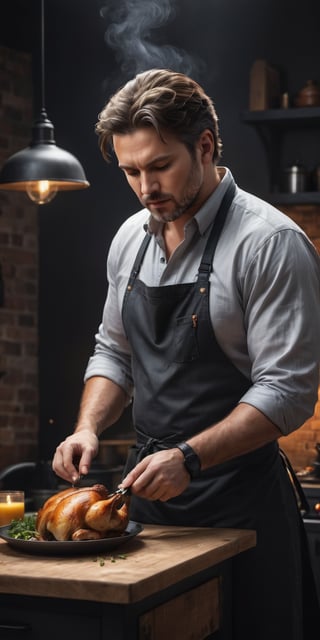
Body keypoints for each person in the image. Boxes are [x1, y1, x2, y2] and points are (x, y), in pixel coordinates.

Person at [52, 69, 320, 639]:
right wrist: (87, 428)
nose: (146, 187)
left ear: (204, 146)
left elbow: (287, 391)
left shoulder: (269, 243)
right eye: (130, 171)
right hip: (143, 512)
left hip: (240, 505)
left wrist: (190, 459)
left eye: (160, 166)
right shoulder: (129, 239)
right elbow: (114, 352)